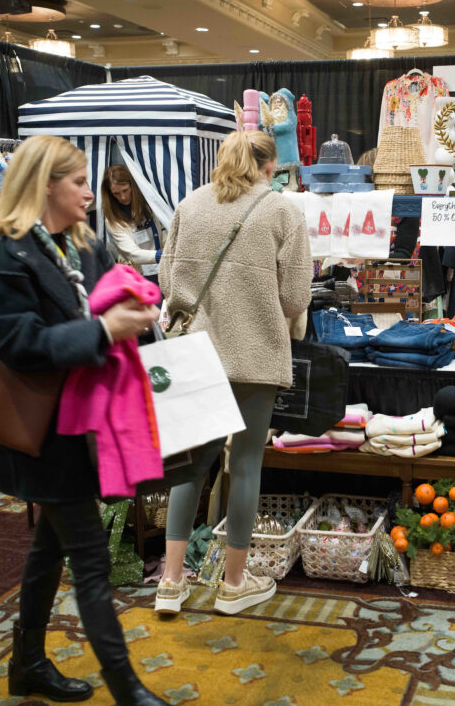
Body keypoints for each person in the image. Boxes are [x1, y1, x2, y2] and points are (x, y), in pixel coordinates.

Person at [0, 136, 168, 705]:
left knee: (50, 549)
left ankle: (27, 663)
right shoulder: (5, 253)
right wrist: (104, 331)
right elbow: (16, 343)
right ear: (45, 185)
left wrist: (137, 308)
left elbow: (109, 299)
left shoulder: (79, 245)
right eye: (79, 181)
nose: (93, 191)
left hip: (83, 427)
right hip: (38, 433)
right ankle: (127, 688)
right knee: (89, 556)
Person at [156, 130, 312, 615]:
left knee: (189, 468)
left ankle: (170, 583)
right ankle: (234, 585)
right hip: (255, 356)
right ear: (269, 167)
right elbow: (295, 300)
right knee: (245, 467)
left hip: (196, 353)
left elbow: (166, 280)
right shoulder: (284, 210)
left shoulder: (189, 205)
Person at [101, 164, 163, 281]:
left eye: (125, 190)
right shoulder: (112, 218)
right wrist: (164, 255)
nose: (123, 197)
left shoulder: (149, 203)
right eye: (116, 194)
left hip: (161, 269)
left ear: (132, 186)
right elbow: (132, 254)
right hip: (137, 275)